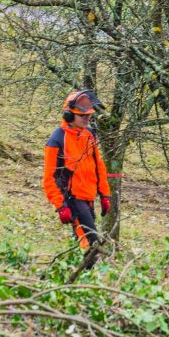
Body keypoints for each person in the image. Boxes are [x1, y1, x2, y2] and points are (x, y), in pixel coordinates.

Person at [42, 90, 112, 260]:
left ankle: (78, 278)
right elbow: (49, 177)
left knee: (86, 245)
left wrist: (104, 194)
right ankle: (83, 279)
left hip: (88, 198)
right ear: (69, 115)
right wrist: (60, 205)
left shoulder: (89, 135)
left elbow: (98, 166)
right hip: (73, 199)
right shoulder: (57, 139)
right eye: (83, 116)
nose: (87, 118)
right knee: (90, 244)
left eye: (89, 115)